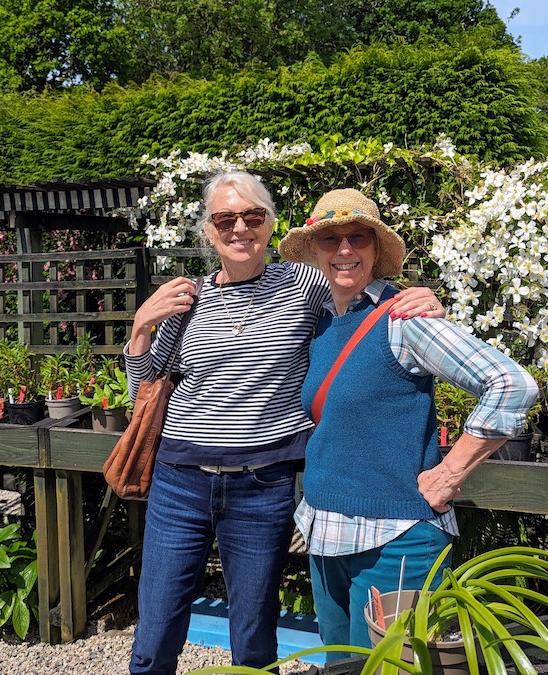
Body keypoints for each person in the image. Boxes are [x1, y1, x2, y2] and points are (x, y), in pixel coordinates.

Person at [124, 171, 445, 674]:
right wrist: (141, 327)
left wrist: (417, 297)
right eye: (225, 220)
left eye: (252, 217)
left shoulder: (302, 283)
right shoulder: (188, 300)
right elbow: (140, 393)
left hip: (261, 486)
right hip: (179, 483)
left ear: (270, 225)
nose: (240, 229)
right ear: (209, 231)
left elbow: (356, 283)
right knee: (157, 626)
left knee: (254, 632)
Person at [277, 188, 539, 659]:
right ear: (313, 251)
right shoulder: (320, 322)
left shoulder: (405, 319)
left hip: (394, 538)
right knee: (342, 665)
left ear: (376, 249)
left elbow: (511, 384)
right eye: (330, 238)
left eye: (358, 237)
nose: (344, 249)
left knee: (391, 668)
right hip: (327, 531)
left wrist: (451, 472)